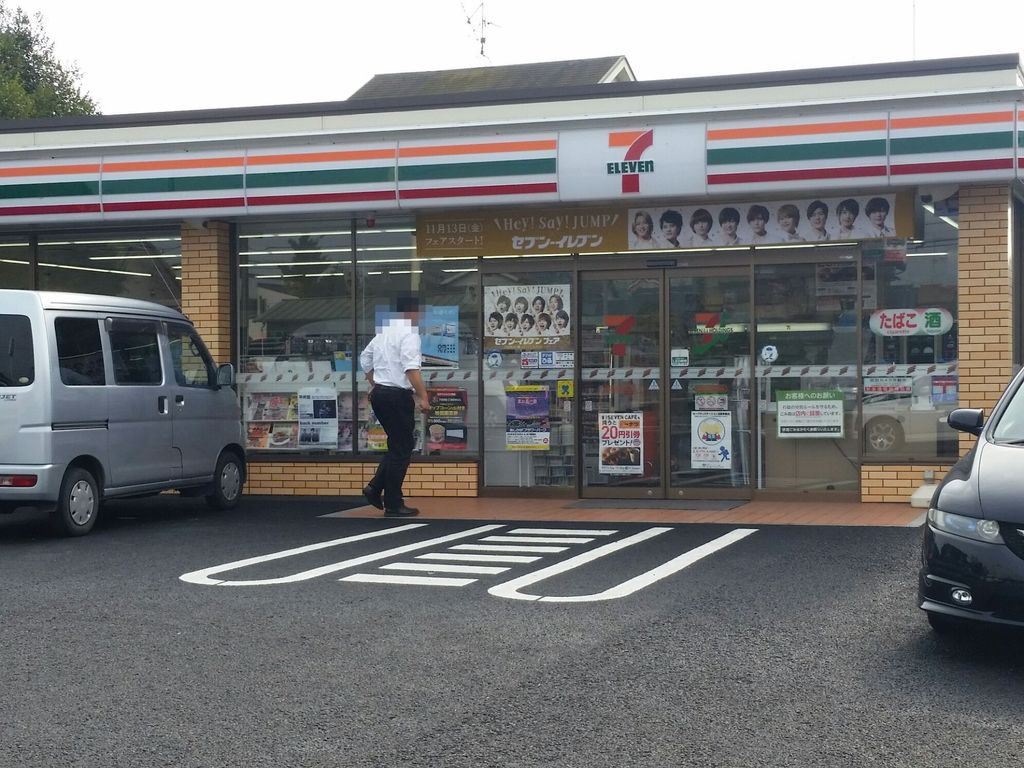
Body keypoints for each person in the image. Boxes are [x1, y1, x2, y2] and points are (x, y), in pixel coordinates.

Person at [359, 297, 430, 517]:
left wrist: (375, 382)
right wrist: (423, 396)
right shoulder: (409, 334)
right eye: (420, 312)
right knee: (402, 448)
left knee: (398, 446)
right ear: (411, 312)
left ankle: (375, 488)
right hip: (397, 396)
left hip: (380, 394)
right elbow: (411, 369)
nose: (421, 317)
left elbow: (365, 359)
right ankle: (392, 503)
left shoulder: (384, 333)